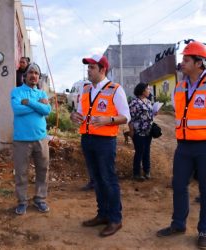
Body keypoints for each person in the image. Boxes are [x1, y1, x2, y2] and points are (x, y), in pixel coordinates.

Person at [157, 41, 206, 249]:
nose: (182, 63)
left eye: (186, 60)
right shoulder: (180, 87)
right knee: (179, 185)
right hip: (184, 146)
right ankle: (178, 224)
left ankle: (205, 230)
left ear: (200, 62)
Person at [70, 54, 130, 237]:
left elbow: (126, 116)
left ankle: (115, 219)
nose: (88, 70)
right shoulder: (86, 89)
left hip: (105, 141)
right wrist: (74, 116)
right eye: (88, 67)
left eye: (92, 67)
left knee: (108, 179)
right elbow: (79, 113)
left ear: (102, 70)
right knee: (96, 179)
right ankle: (102, 214)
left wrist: (108, 120)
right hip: (87, 139)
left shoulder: (115, 89)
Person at [10, 63, 51, 215]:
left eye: (36, 73)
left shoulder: (42, 94)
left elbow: (47, 110)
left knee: (43, 170)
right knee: (21, 172)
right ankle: (22, 201)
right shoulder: (17, 91)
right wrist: (37, 106)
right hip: (21, 139)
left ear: (38, 77)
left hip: (41, 138)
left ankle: (40, 199)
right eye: (31, 72)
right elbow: (17, 110)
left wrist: (30, 102)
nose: (33, 75)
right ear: (25, 76)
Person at [128, 82, 154, 181]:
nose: (149, 91)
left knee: (147, 151)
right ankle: (136, 173)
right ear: (142, 91)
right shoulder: (134, 102)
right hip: (138, 132)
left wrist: (154, 111)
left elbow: (149, 115)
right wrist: (131, 131)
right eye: (148, 89)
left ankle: (147, 171)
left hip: (148, 131)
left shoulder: (148, 101)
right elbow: (130, 118)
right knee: (139, 152)